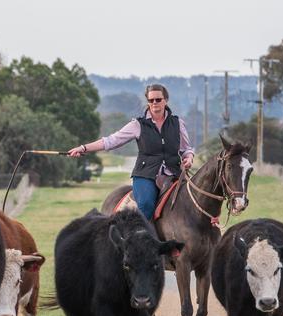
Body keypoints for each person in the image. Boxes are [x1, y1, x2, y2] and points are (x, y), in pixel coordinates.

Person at [69, 83, 194, 221]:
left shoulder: (177, 123)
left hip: (174, 174)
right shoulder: (137, 125)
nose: (154, 103)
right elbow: (110, 141)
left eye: (158, 99)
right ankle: (140, 238)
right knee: (146, 205)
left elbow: (186, 149)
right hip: (146, 175)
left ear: (166, 100)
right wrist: (83, 148)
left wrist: (189, 158)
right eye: (151, 100)